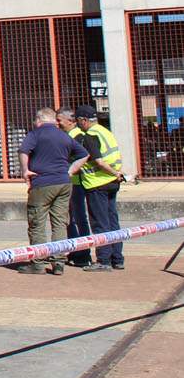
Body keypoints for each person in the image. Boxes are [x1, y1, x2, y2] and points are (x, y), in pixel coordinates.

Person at [16, 107, 88, 275]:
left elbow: (23, 151)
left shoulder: (35, 134)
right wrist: (70, 171)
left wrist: (25, 170)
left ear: (39, 120)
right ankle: (58, 263)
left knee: (37, 224)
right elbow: (84, 154)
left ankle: (38, 263)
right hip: (63, 183)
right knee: (60, 223)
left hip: (42, 183)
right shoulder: (64, 135)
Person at [75, 105, 125, 271]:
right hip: (111, 183)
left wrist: (115, 173)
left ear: (84, 120)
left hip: (97, 183)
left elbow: (99, 161)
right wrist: (116, 174)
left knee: (100, 223)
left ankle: (103, 260)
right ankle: (117, 258)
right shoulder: (105, 132)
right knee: (112, 221)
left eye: (78, 121)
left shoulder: (90, 135)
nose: (77, 125)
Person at [57, 107, 93, 267]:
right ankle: (74, 251)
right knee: (70, 219)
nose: (57, 123)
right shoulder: (68, 136)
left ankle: (83, 254)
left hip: (76, 183)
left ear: (70, 121)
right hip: (71, 182)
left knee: (78, 219)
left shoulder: (77, 137)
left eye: (59, 120)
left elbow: (81, 158)